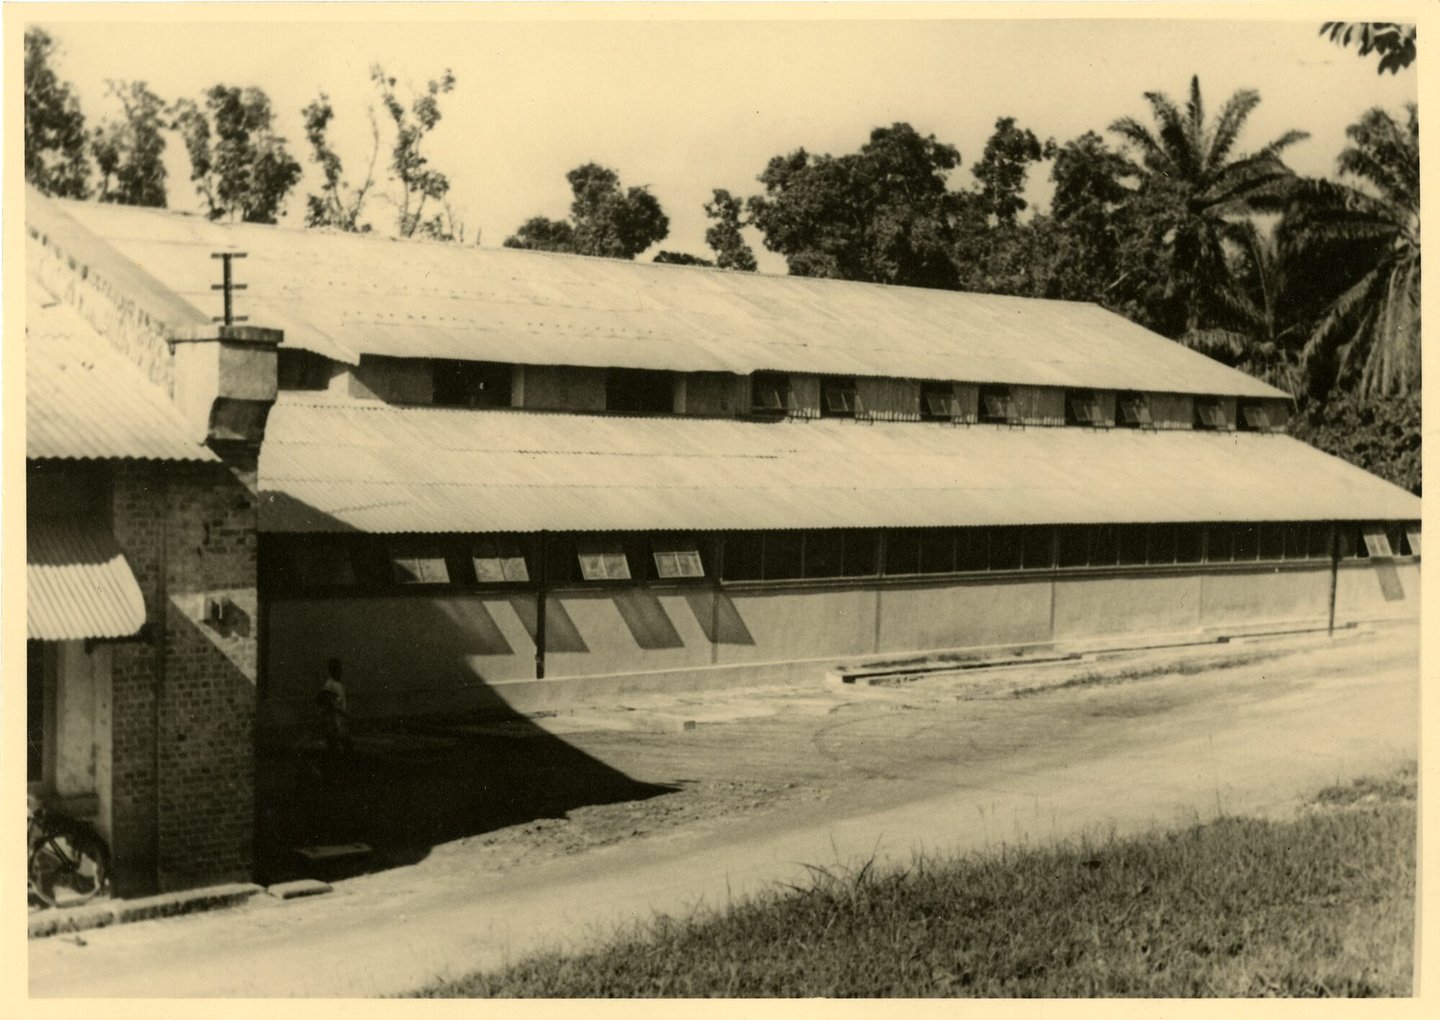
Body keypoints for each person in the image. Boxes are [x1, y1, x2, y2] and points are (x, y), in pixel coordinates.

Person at [317, 657, 353, 759]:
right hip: (334, 721)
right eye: (339, 669)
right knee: (339, 746)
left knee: (341, 746)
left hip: (338, 721)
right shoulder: (330, 684)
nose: (341, 671)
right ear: (334, 670)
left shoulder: (338, 685)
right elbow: (326, 700)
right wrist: (340, 712)